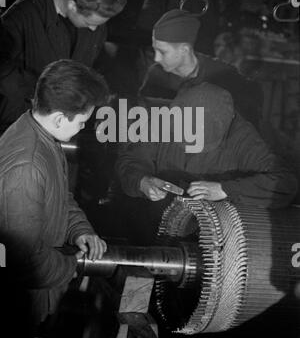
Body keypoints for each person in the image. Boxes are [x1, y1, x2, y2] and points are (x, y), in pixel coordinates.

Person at [0, 59, 109, 338]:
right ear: (60, 118)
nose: (83, 127)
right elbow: (26, 263)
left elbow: (61, 195)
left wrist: (80, 230)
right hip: (26, 304)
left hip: (44, 290)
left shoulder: (43, 136)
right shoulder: (27, 165)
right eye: (82, 121)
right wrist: (73, 263)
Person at [115, 82, 298, 244]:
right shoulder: (165, 120)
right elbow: (131, 159)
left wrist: (226, 189)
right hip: (154, 228)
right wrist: (142, 181)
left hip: (213, 242)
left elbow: (286, 183)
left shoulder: (243, 138)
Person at [0, 0, 126, 128]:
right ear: (73, 5)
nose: (95, 30)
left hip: (62, 123)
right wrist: (39, 92)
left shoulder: (95, 16)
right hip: (18, 122)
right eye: (89, 23)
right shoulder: (24, 13)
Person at [140, 8, 263, 128]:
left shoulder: (222, 74)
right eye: (154, 50)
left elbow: (251, 109)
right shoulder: (156, 74)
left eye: (163, 52)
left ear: (184, 50)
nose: (156, 58)